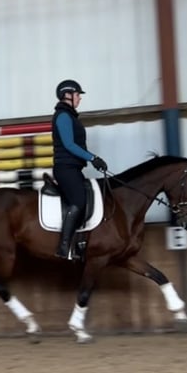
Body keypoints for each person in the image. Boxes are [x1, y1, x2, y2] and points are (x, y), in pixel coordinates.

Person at [51, 79, 108, 259]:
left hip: (73, 168)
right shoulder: (63, 116)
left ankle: (79, 241)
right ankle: (64, 246)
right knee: (79, 201)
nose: (80, 99)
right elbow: (69, 144)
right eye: (78, 95)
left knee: (86, 198)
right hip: (65, 168)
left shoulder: (70, 116)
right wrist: (93, 158)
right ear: (67, 95)